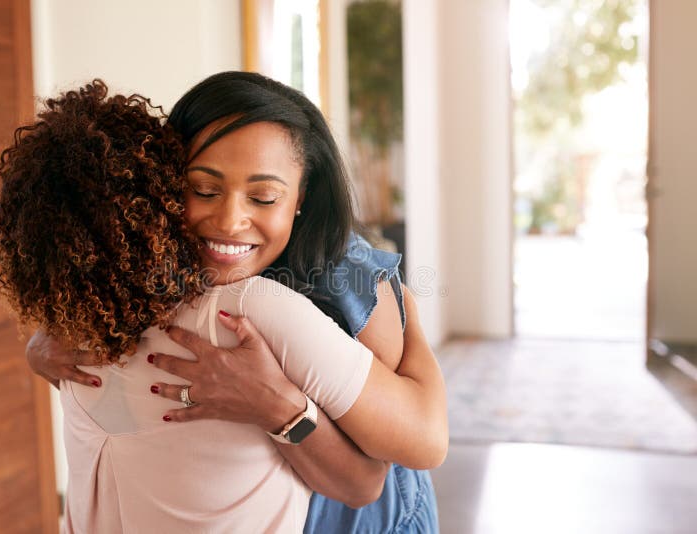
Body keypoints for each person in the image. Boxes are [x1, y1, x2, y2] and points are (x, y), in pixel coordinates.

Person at [25, 72, 447, 533]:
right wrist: (44, 338)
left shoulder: (346, 279)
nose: (229, 220)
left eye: (263, 197)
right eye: (203, 190)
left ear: (301, 197)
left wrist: (409, 315)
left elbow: (387, 466)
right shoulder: (159, 267)